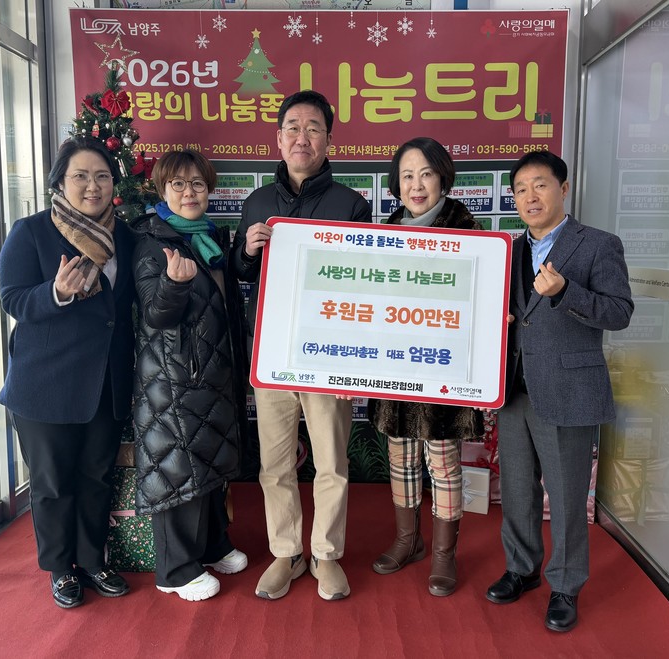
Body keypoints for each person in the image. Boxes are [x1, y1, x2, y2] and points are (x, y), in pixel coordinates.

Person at [233, 90, 372, 601]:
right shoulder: (256, 202)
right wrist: (248, 252)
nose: (302, 137)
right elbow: (240, 271)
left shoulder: (351, 205)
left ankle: (326, 555)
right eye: (293, 127)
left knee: (331, 462)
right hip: (271, 354)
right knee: (275, 464)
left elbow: (364, 284)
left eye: (313, 128)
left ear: (328, 140)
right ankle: (287, 553)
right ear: (278, 138)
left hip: (327, 356)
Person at [485, 150, 633, 632]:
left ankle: (566, 585)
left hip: (569, 388)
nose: (530, 196)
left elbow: (619, 313)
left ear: (563, 189)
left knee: (567, 497)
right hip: (514, 388)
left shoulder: (599, 245)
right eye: (521, 189)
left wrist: (566, 292)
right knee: (517, 489)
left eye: (541, 185)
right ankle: (522, 569)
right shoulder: (507, 250)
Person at [0, 136, 134, 609]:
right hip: (45, 385)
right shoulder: (31, 232)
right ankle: (61, 570)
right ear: (60, 183)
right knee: (53, 483)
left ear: (113, 183)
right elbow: (13, 298)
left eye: (102, 176)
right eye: (80, 176)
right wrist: (55, 293)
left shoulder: (125, 236)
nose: (92, 186)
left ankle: (93, 560)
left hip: (105, 383)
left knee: (97, 477)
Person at [368, 137, 484, 597]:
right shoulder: (385, 232)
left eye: (426, 174)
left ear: (442, 178)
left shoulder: (467, 229)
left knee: (443, 461)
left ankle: (443, 553)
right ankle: (408, 539)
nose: (416, 186)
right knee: (400, 457)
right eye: (407, 176)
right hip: (395, 363)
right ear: (397, 184)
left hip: (444, 366)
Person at [131, 149, 249, 602]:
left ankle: (213, 545)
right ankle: (175, 569)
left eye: (197, 183)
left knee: (210, 463)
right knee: (178, 468)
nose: (189, 192)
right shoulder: (153, 241)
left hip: (211, 372)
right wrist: (173, 284)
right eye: (178, 184)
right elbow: (155, 314)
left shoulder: (208, 238)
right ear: (162, 190)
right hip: (174, 377)